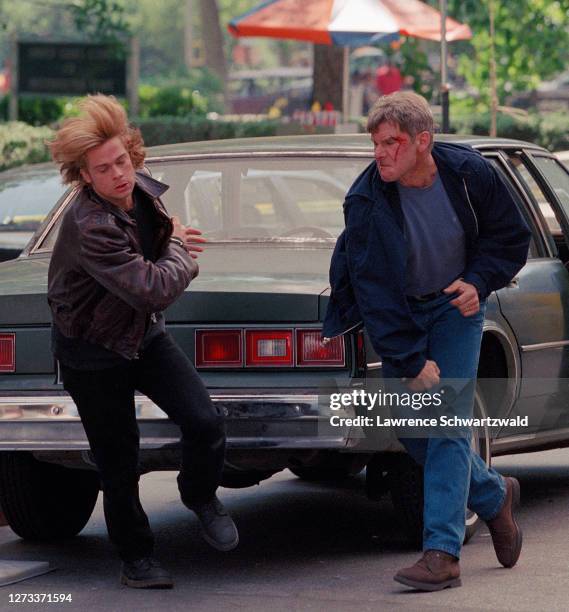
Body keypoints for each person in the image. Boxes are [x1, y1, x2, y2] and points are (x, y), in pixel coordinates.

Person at [323, 92, 531, 591]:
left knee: (447, 422)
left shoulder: (469, 173)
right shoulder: (365, 201)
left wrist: (479, 281)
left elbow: (511, 236)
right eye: (375, 143)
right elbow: (372, 292)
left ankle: (441, 553)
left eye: (392, 142)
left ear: (423, 140)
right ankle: (492, 493)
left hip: (456, 305)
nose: (381, 153)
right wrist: (410, 358)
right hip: (403, 315)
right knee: (415, 429)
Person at [47, 94, 238, 589]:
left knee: (205, 419)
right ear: (85, 177)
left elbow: (155, 249)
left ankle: (199, 495)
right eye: (104, 169)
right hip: (93, 351)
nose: (118, 175)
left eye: (122, 161)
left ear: (133, 155)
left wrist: (168, 235)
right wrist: (178, 249)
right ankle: (137, 559)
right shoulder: (89, 226)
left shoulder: (143, 191)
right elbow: (154, 285)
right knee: (119, 463)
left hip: (142, 335)